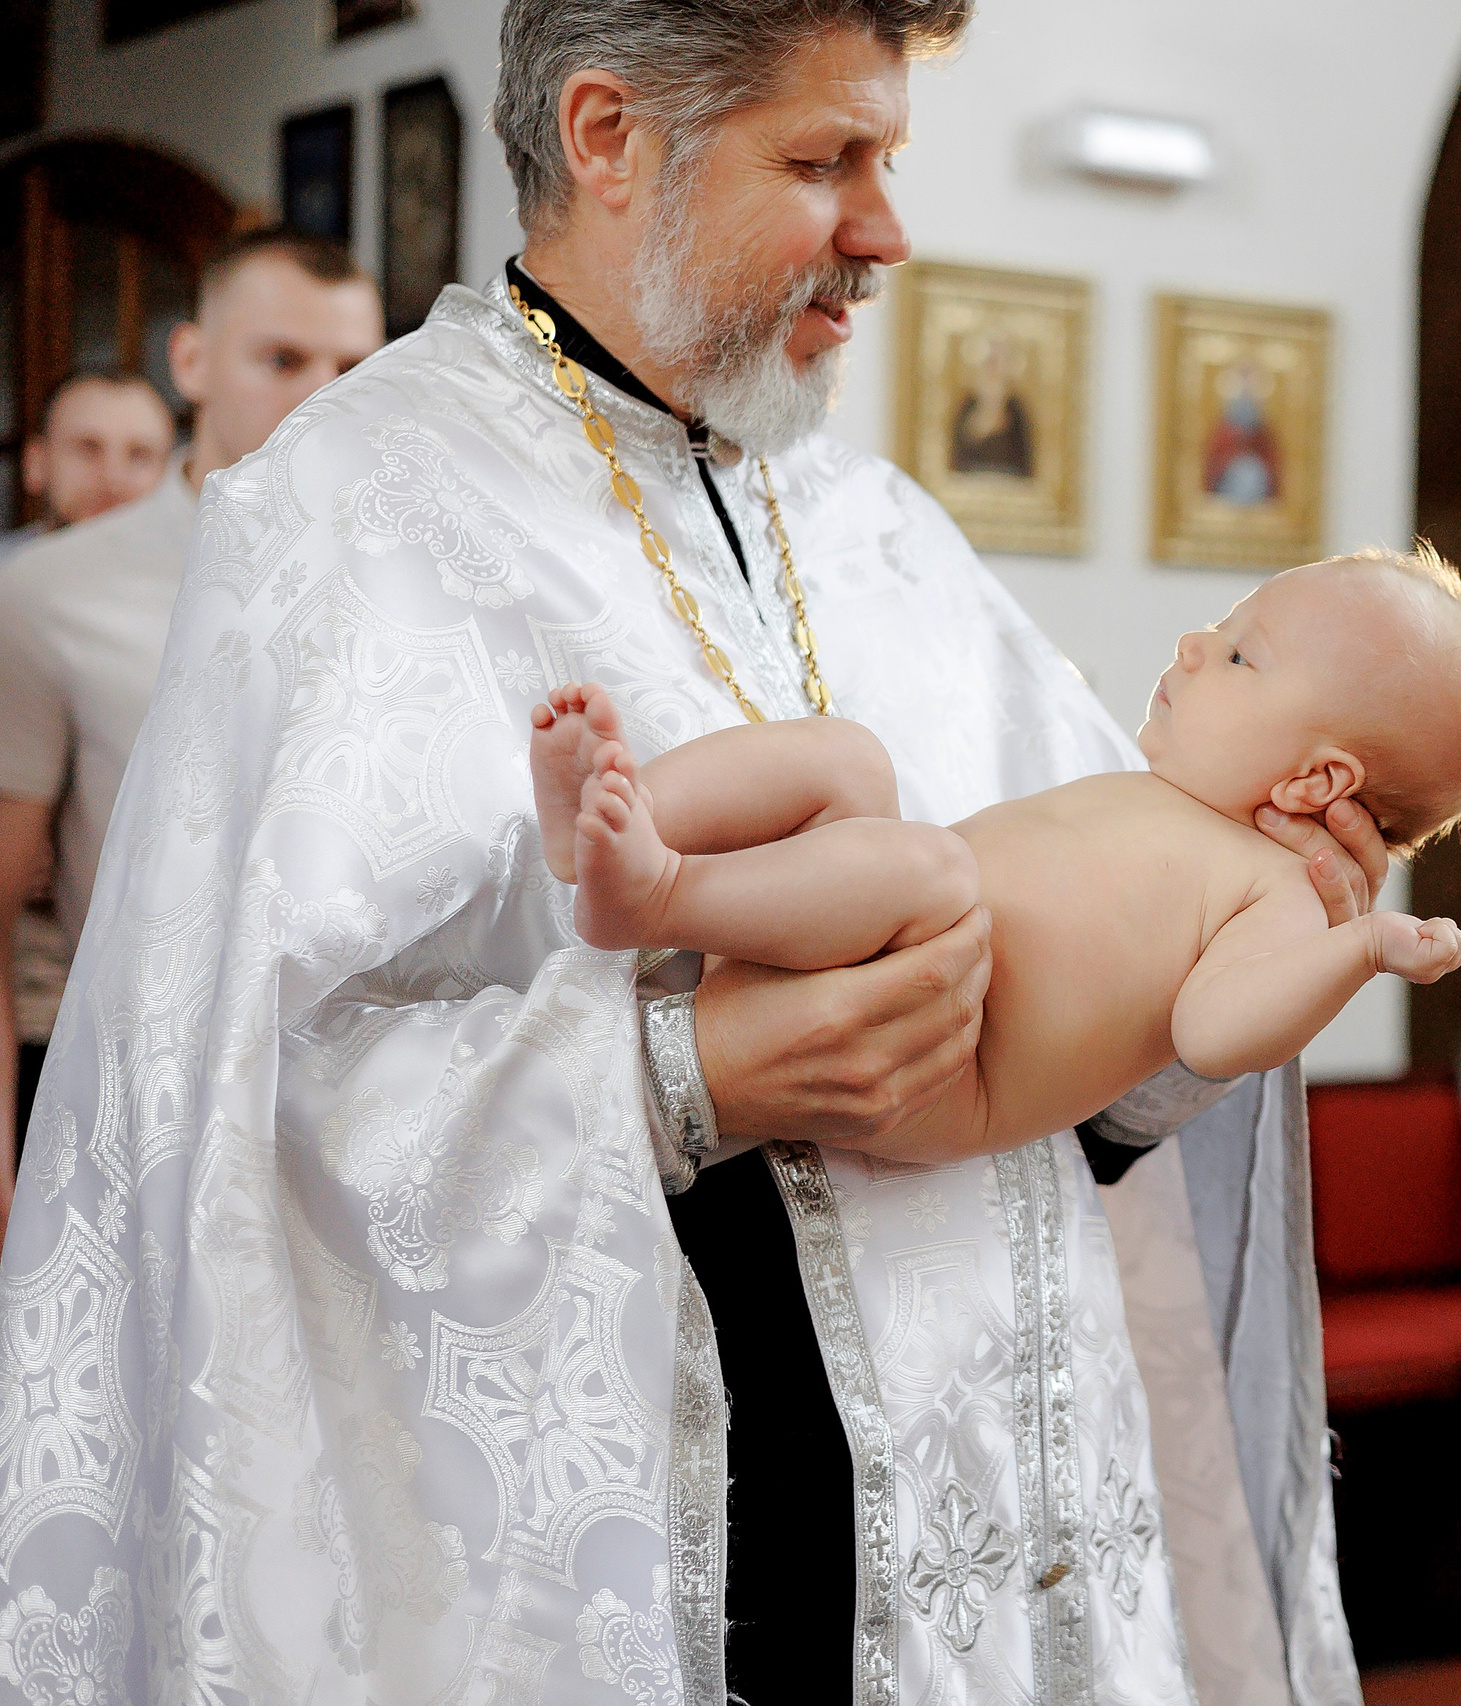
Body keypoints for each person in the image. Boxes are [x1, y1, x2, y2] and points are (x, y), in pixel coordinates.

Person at [0, 5, 1375, 1703]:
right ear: (605, 134)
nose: (885, 230)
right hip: (675, 1595)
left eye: (889, 159)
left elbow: (1097, 1088)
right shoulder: (342, 525)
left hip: (1010, 1581)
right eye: (823, 161)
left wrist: (1237, 948)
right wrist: (682, 1073)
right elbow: (216, 1149)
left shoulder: (893, 540)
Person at [528, 549, 1461, 1146]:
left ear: (1317, 783)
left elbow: (1215, 1032)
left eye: (1238, 652)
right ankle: (613, 829)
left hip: (942, 1059)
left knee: (925, 865)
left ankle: (658, 894)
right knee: (848, 759)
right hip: (881, 936)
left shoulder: (1281, 888)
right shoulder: (1161, 799)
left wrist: (1355, 950)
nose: (1191, 643)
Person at [0, 230, 381, 1185]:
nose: (324, 394)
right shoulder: (54, 591)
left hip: (367, 1119)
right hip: (136, 1114)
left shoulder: (421, 583)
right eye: (283, 360)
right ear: (191, 360)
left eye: (355, 365)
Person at [5, 371, 177, 553]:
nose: (113, 477)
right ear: (36, 463)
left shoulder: (200, 578)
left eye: (139, 455)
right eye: (88, 449)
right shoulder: (7, 576)